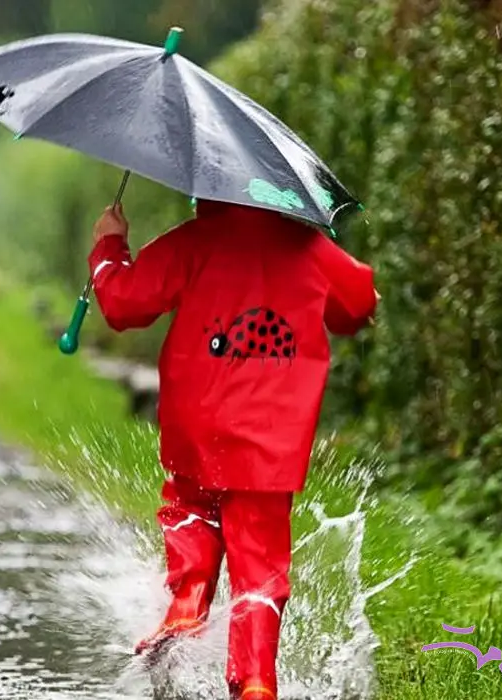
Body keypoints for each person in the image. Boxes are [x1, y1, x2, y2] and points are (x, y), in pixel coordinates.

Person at [87, 197, 378, 700]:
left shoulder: (193, 242)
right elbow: (356, 303)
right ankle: (257, 681)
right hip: (272, 441)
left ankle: (188, 601)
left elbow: (123, 304)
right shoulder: (308, 248)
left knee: (190, 505)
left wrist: (109, 247)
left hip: (198, 422)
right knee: (261, 564)